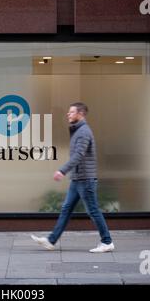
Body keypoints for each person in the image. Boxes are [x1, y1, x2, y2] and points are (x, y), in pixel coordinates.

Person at [31, 102, 114, 253]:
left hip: (85, 180)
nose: (68, 114)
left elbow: (78, 155)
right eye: (68, 112)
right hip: (77, 179)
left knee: (93, 211)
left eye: (71, 112)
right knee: (66, 209)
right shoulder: (78, 131)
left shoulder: (83, 132)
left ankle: (107, 241)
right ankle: (51, 241)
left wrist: (62, 171)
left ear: (80, 114)